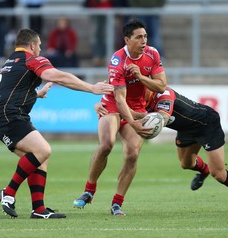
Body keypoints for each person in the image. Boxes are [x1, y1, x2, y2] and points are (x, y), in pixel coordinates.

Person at [0, 28, 114, 219]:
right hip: (9, 115)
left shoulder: (10, 62)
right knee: (43, 150)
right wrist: (92, 88)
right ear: (32, 45)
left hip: (4, 115)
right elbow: (59, 77)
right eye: (39, 45)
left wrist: (36, 94)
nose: (40, 49)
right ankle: (9, 192)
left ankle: (38, 209)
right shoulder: (33, 59)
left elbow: (11, 91)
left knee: (39, 157)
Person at [94, 87, 228, 212]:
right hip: (186, 130)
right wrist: (100, 106)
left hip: (206, 124)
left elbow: (160, 119)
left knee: (218, 174)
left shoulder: (164, 94)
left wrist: (126, 113)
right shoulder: (140, 99)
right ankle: (203, 171)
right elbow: (115, 101)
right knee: (186, 164)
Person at [73, 18, 167, 216]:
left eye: (145, 36)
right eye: (139, 37)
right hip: (114, 106)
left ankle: (117, 203)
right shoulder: (118, 60)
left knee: (132, 153)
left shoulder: (152, 54)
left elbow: (161, 86)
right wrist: (132, 122)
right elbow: (120, 98)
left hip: (138, 108)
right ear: (127, 39)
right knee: (107, 144)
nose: (144, 41)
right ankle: (89, 190)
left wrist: (141, 77)